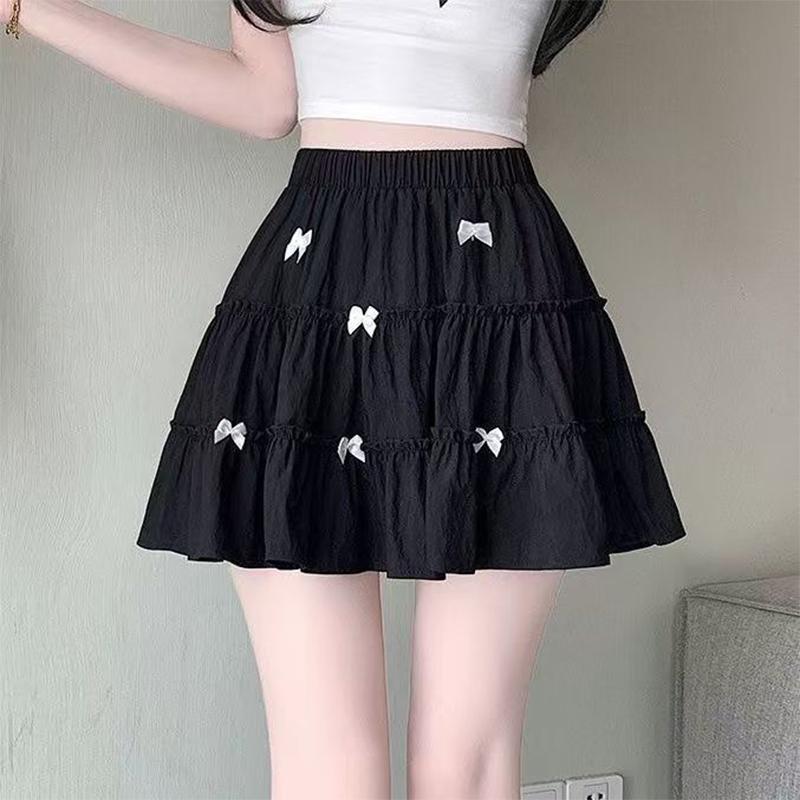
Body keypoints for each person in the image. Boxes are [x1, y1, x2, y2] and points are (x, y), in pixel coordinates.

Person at [3, 0, 687, 796]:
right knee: (330, 770)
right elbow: (266, 101)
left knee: (464, 765)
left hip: (496, 304)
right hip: (316, 298)